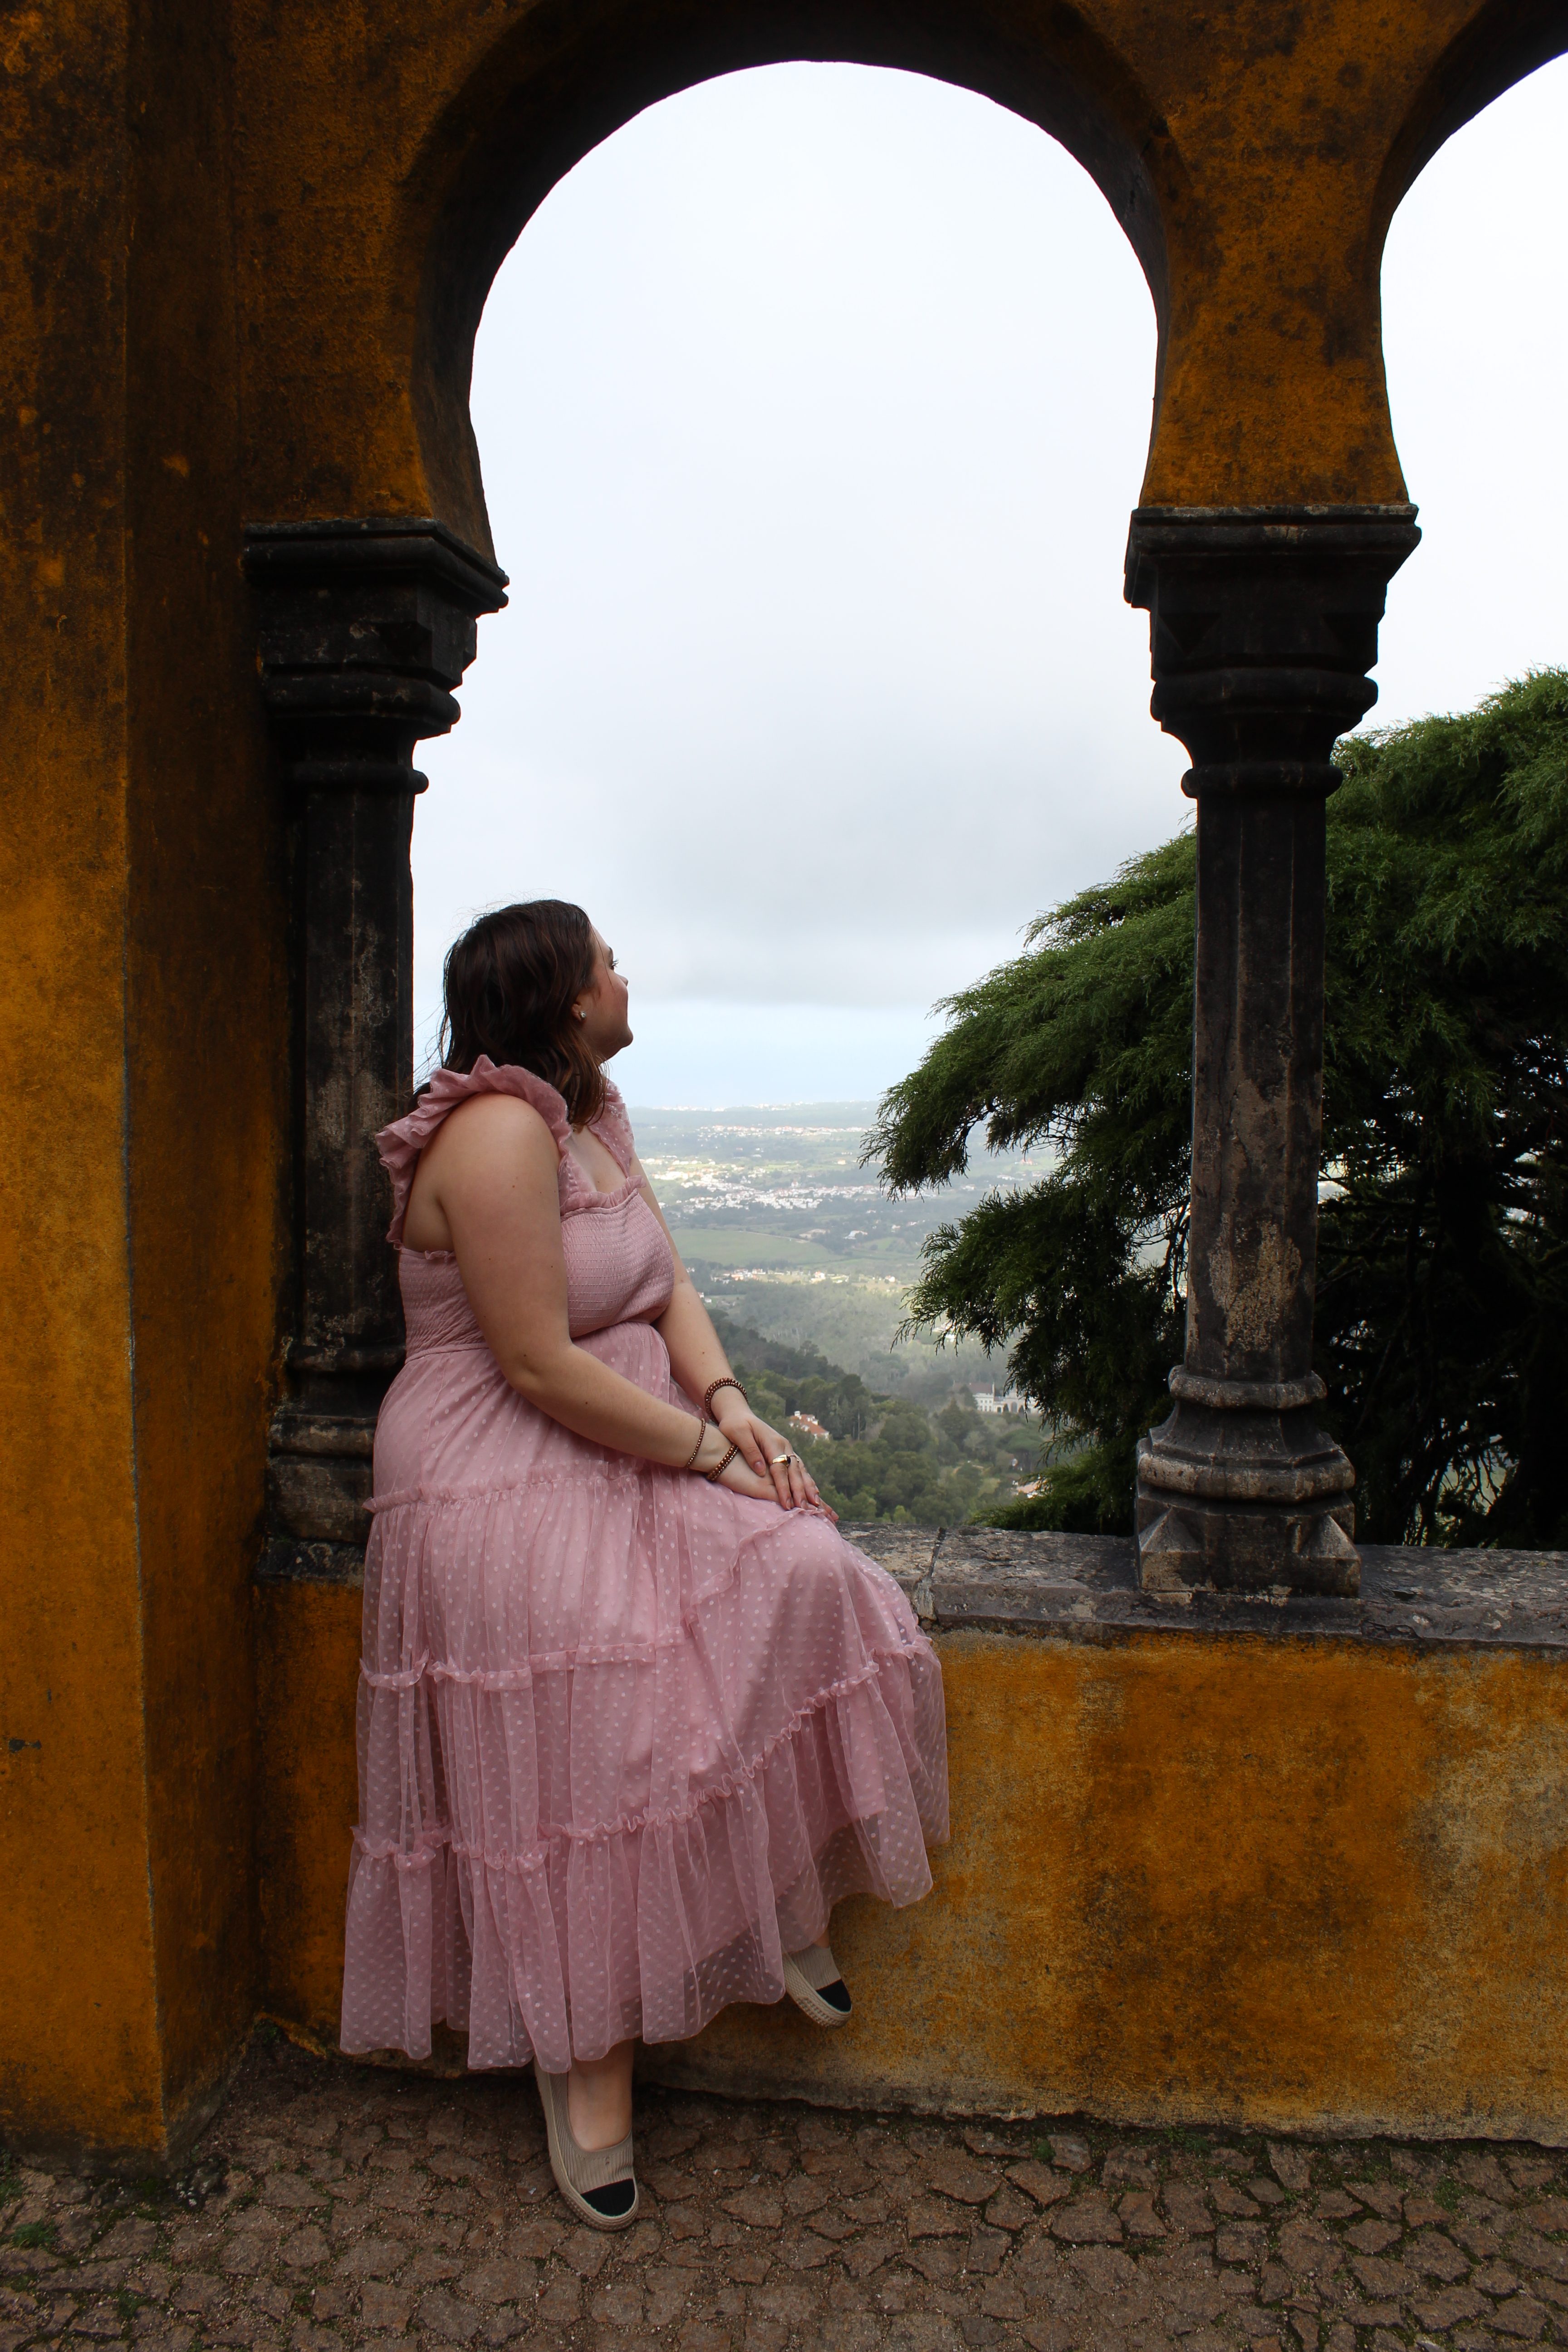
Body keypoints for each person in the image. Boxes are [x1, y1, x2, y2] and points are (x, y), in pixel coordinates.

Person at [340, 900, 949, 2229]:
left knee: (811, 1578)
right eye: (609, 962)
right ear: (567, 995)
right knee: (608, 1722)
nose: (626, 977)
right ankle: (586, 2059)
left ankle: (762, 1894)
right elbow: (533, 1361)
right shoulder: (496, 1130)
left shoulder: (591, 1111)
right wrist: (705, 1454)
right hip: (496, 1454)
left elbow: (665, 1281)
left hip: (634, 1426)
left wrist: (731, 1403)